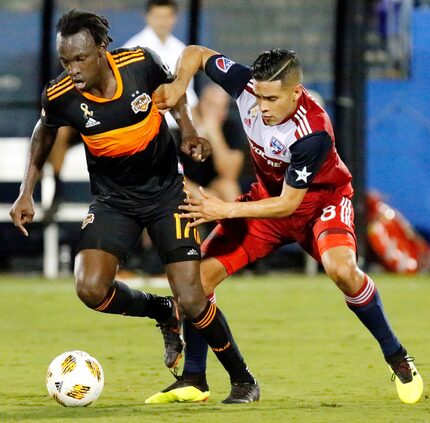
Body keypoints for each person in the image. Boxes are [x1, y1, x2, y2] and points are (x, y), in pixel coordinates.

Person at [146, 45, 424, 405]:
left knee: (342, 271)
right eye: (259, 97)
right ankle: (195, 379)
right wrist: (180, 84)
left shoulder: (313, 131)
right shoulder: (246, 87)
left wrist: (224, 210)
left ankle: (397, 357)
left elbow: (290, 204)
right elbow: (197, 54)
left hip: (319, 206)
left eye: (272, 99)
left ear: (295, 92)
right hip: (267, 205)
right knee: (196, 284)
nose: (262, 107)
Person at [9, 11, 259, 404]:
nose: (72, 70)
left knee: (193, 299)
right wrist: (28, 191)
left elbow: (173, 96)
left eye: (80, 59)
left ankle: (243, 379)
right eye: (65, 61)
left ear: (102, 49)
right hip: (114, 201)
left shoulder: (140, 63)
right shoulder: (60, 95)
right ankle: (160, 310)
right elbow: (44, 131)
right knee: (90, 288)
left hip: (166, 195)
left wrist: (189, 132)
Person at [123, 0, 198, 132]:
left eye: (167, 17)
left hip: (179, 126)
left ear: (175, 18)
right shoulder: (132, 49)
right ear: (147, 17)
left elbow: (188, 92)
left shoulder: (181, 49)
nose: (162, 22)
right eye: (158, 17)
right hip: (146, 126)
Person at [180, 82, 245, 203]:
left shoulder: (231, 127)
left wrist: (214, 133)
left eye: (223, 107)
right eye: (211, 106)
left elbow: (229, 174)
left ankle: (236, 221)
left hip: (213, 188)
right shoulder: (182, 127)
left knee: (229, 188)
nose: (217, 112)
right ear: (199, 104)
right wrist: (204, 199)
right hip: (185, 186)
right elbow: (172, 174)